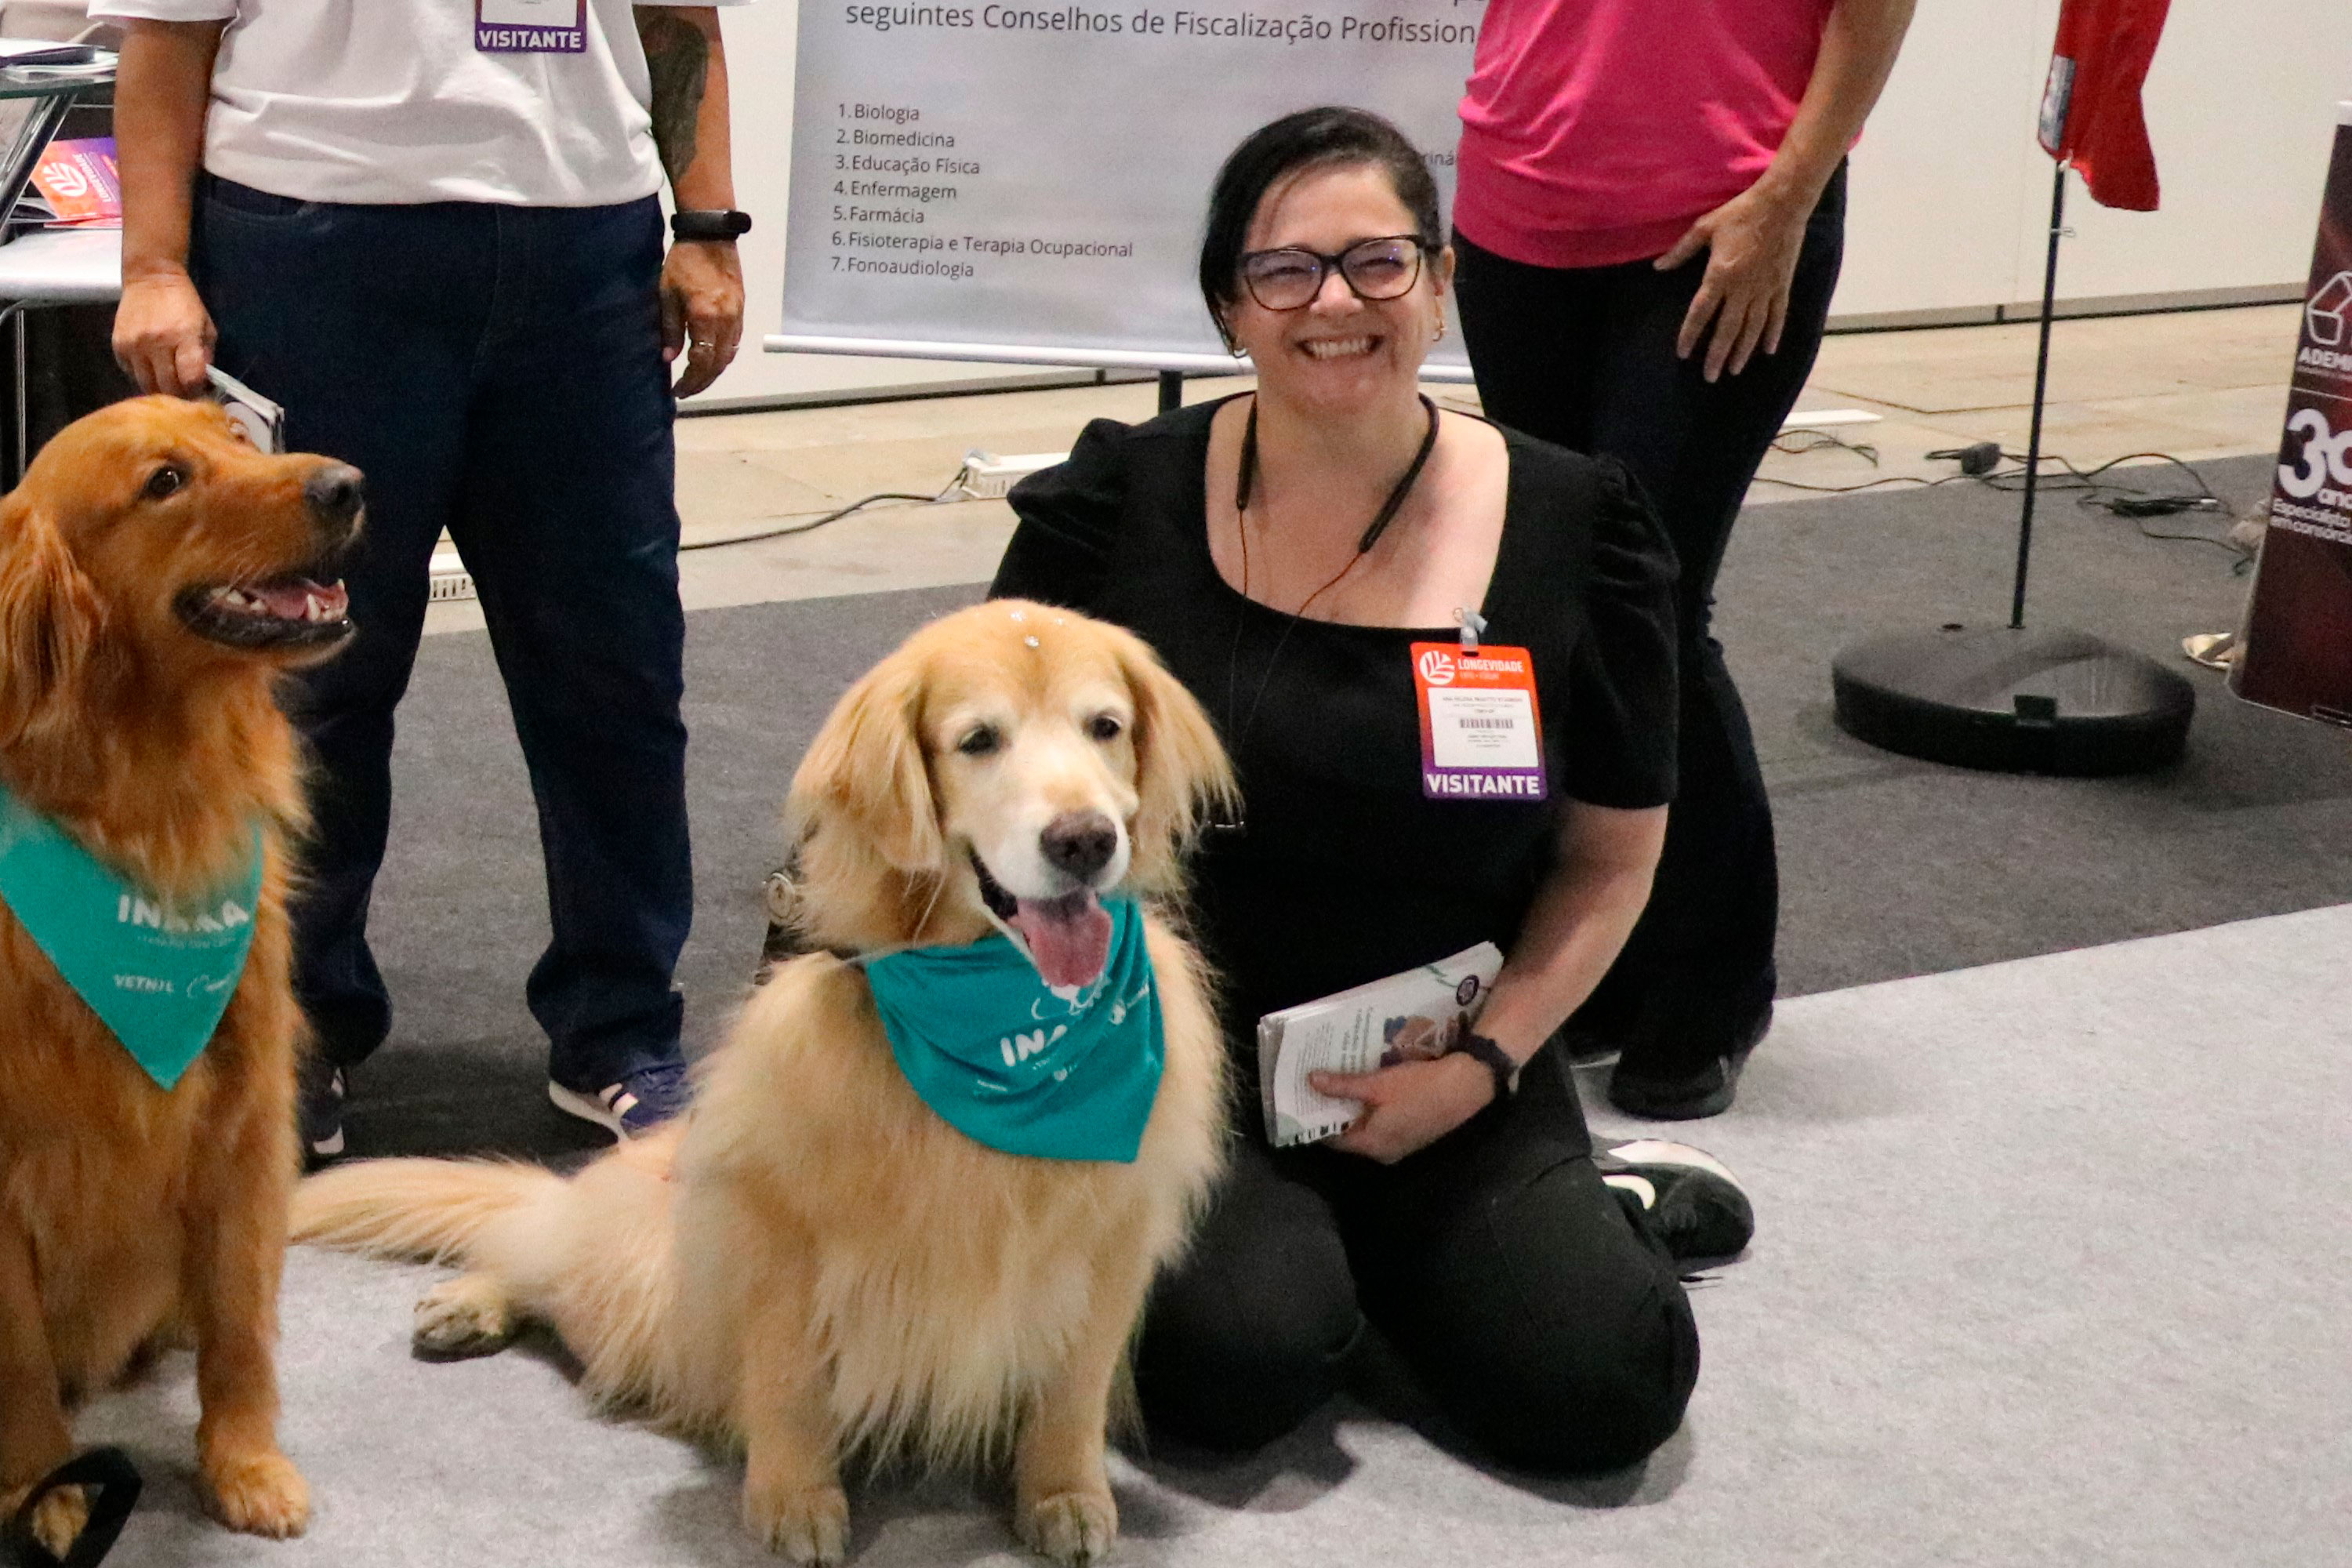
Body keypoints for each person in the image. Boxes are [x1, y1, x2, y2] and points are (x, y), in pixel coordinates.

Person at [991, 107, 1748, 1472]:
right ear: (1230, 309)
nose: (1335, 302)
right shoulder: (1120, 506)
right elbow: (974, 782)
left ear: (1444, 281)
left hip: (1452, 1049)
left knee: (1605, 1393)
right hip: (1175, 1060)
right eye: (1286, 272)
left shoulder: (1580, 525)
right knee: (1228, 1374)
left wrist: (1486, 1065)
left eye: (1379, 263)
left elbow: (1612, 858)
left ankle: (1554, 1216)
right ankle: (1354, 1283)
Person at [100, 0, 753, 1158]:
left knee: (614, 667)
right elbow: (165, 34)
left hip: (583, 248)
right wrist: (153, 263)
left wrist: (705, 224)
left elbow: (675, 15)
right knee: (309, 674)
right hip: (315, 246)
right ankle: (291, 1035)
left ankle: (619, 1029)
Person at [1451, 0, 1916, 1118]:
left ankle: (1713, 979)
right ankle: (1600, 954)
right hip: (1519, 201)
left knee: (1646, 600)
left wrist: (1791, 195)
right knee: (1551, 600)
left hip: (1729, 216)